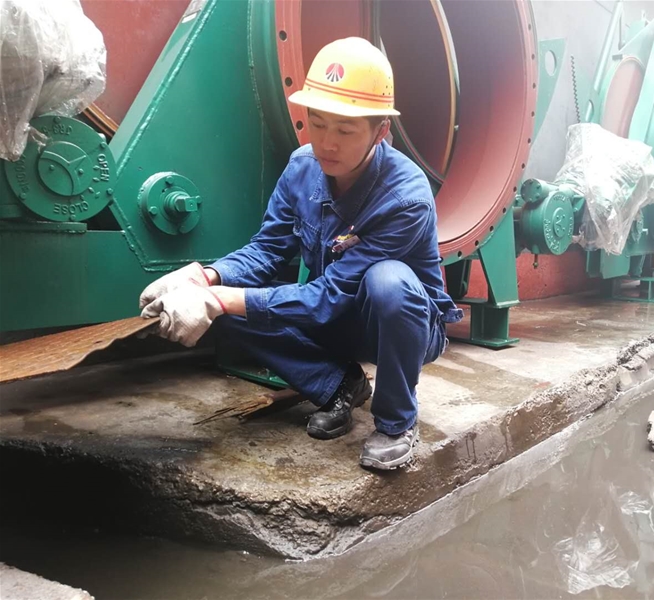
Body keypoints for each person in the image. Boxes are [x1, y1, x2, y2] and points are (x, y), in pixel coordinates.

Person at [138, 37, 462, 470]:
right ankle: (339, 385)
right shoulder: (301, 167)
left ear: (380, 131)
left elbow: (330, 295)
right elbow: (266, 251)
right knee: (228, 308)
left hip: (398, 326)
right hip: (333, 317)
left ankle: (396, 422)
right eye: (317, 123)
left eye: (345, 130)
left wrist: (217, 299)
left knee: (388, 282)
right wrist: (204, 279)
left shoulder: (406, 198)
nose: (327, 143)